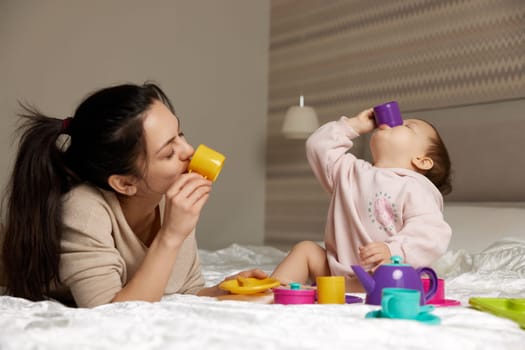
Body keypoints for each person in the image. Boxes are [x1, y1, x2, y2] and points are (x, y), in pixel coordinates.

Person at [0, 82, 266, 307]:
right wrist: (170, 235)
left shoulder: (168, 199)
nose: (191, 151)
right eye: (169, 152)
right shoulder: (85, 211)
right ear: (125, 184)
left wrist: (224, 291)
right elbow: (111, 315)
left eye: (181, 135)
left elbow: (181, 290)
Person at [271, 107, 452, 291]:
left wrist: (393, 251)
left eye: (408, 126)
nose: (396, 122)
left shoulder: (415, 188)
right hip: (335, 274)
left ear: (422, 160)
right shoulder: (349, 171)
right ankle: (274, 290)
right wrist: (354, 125)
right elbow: (317, 145)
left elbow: (430, 233)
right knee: (305, 250)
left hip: (383, 276)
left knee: (401, 277)